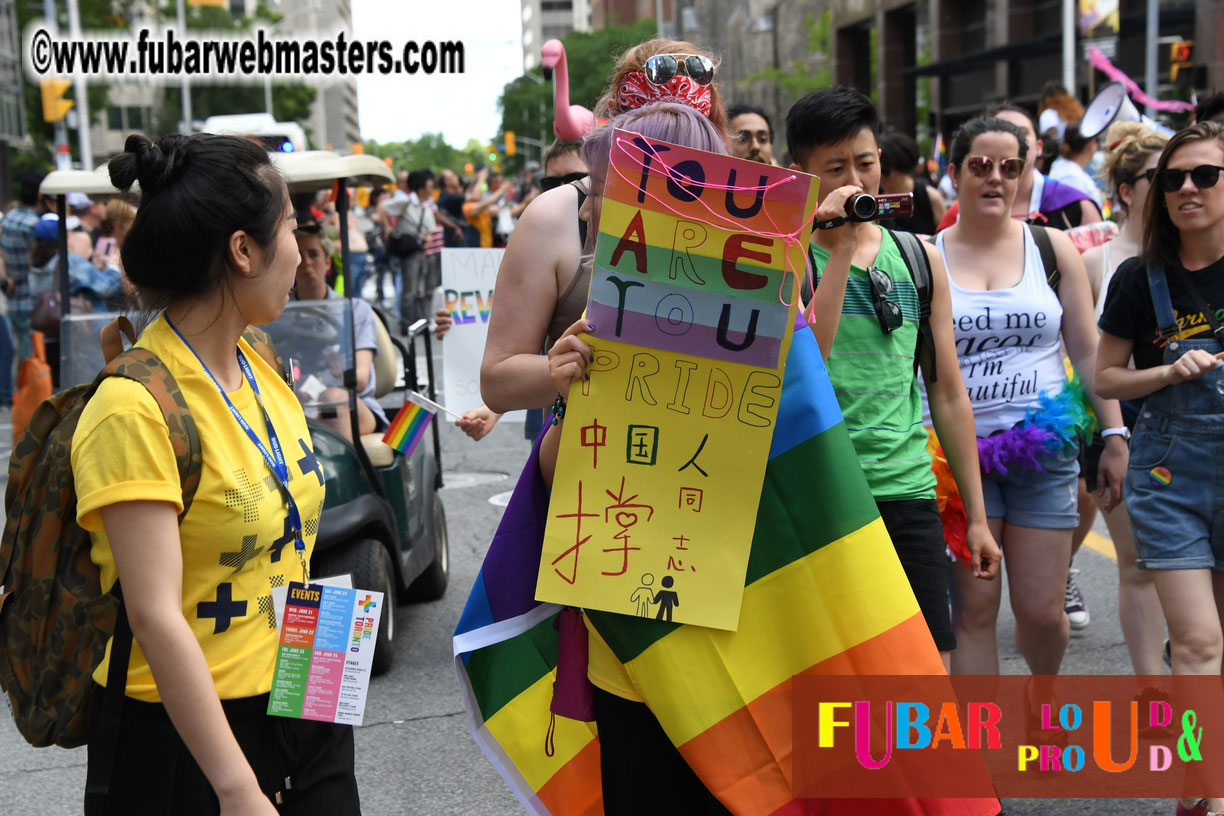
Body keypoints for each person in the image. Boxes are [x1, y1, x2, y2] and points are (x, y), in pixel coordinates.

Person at [73, 132, 359, 814]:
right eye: (291, 224)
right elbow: (154, 615)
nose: (301, 247)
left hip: (303, 695)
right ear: (242, 249)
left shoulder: (259, 361)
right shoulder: (133, 407)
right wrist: (236, 789)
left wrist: (324, 704)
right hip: (190, 745)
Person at [785, 87, 1001, 669]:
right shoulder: (785, 256)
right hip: (823, 496)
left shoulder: (919, 257)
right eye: (836, 168)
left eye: (866, 162)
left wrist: (977, 519)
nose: (857, 179)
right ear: (799, 173)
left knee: (925, 670)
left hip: (908, 492)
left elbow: (948, 391)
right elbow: (811, 360)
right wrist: (840, 247)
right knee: (835, 674)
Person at [935, 115, 1128, 677]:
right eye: (980, 166)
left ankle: (1042, 707)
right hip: (957, 458)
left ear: (1024, 173)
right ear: (954, 174)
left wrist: (1113, 434)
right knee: (974, 611)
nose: (996, 178)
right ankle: (981, 753)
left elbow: (1089, 351)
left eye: (1010, 167)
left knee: (1042, 612)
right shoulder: (927, 256)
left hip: (1044, 453)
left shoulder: (1053, 247)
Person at [482, 37, 728, 421]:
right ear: (614, 124)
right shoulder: (555, 217)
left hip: (703, 464)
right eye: (645, 145)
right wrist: (560, 368)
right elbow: (498, 380)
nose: (664, 172)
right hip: (586, 461)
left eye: (686, 145)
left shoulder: (748, 222)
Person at [1096, 120, 1224, 816]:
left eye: (1204, 175)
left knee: (1219, 649)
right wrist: (1167, 370)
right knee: (1199, 641)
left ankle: (1202, 774)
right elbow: (1106, 378)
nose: (1185, 189)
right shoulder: (1138, 278)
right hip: (1170, 478)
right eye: (1172, 178)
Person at [1078, 120, 1168, 676]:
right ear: (1128, 189)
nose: (1181, 187)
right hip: (1121, 427)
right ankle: (1153, 689)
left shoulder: (1199, 257)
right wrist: (1110, 433)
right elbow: (1086, 359)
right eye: (1161, 177)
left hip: (1190, 424)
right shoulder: (1096, 263)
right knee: (1137, 563)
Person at [293, 214, 389, 442]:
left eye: (313, 255)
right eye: (298, 256)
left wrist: (337, 372)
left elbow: (361, 378)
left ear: (328, 261)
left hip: (353, 404)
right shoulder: (277, 315)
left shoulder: (356, 310)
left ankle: (345, 475)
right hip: (299, 404)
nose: (306, 263)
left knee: (332, 398)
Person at [936, 103, 1102, 231]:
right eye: (1003, 130)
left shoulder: (1076, 207)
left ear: (1039, 147)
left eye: (1022, 132)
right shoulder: (958, 216)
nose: (1013, 140)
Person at [0, 170, 47, 363]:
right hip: (33, 301)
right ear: (40, 195)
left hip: (12, 297)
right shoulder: (35, 225)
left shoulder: (8, 218)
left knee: (21, 359)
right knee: (35, 361)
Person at [878, 130, 947, 234]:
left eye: (885, 171)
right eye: (878, 170)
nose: (880, 176)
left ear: (902, 166)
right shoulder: (873, 199)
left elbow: (943, 239)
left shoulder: (930, 197)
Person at [1049, 122, 1105, 212]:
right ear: (1091, 143)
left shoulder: (1066, 168)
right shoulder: (1071, 175)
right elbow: (1074, 213)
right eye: (1096, 142)